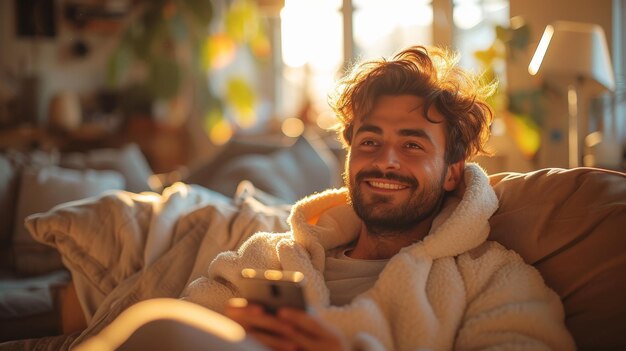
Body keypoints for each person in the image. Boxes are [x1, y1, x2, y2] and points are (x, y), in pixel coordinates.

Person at [182, 45, 575, 351]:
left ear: (452, 171)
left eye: (412, 145)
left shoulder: (491, 281)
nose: (385, 162)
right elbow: (185, 323)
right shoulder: (272, 258)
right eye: (370, 142)